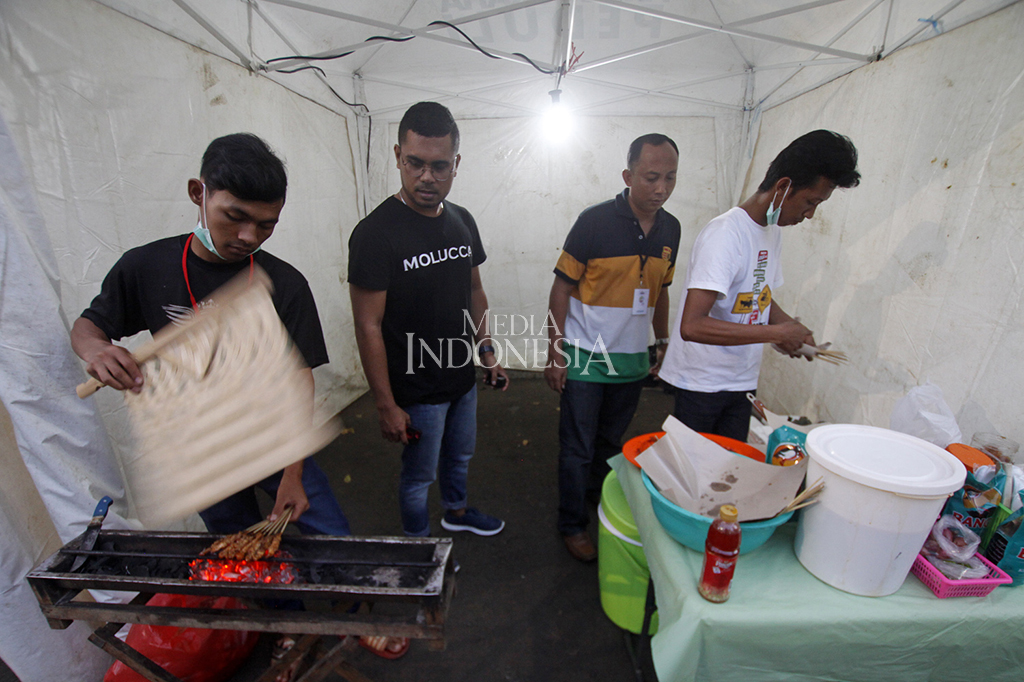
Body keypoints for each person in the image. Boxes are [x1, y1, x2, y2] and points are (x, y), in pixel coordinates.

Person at [71, 132, 349, 537]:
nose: (248, 237)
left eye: (266, 225)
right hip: (198, 449)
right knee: (236, 549)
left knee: (334, 536)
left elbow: (299, 380)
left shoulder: (285, 283)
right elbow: (88, 326)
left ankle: (351, 600)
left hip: (271, 439)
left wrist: (294, 472)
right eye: (234, 216)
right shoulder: (146, 267)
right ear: (198, 192)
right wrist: (95, 349)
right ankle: (272, 604)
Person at [348, 101, 508, 539]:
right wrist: (385, 403)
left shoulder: (462, 221)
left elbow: (474, 291)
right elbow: (368, 326)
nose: (426, 177)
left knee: (460, 458)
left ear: (456, 163)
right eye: (414, 163)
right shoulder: (375, 233)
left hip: (462, 379)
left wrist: (488, 352)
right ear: (397, 155)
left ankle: (456, 512)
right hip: (417, 391)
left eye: (440, 167)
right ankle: (418, 550)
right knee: (419, 477)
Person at [658, 130, 860, 442]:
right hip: (702, 383)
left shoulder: (771, 230)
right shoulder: (725, 234)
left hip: (741, 379)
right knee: (691, 477)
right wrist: (776, 333)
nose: (810, 215)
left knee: (729, 469)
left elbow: (758, 296)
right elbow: (692, 326)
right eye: (810, 202)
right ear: (783, 187)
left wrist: (792, 328)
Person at [544, 134, 681, 562]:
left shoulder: (671, 228)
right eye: (651, 177)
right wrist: (556, 351)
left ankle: (593, 497)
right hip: (586, 355)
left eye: (671, 178)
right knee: (577, 447)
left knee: (609, 442)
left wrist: (661, 344)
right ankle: (571, 524)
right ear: (628, 176)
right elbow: (560, 289)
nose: (661, 188)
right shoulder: (594, 222)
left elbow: (661, 293)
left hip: (632, 360)